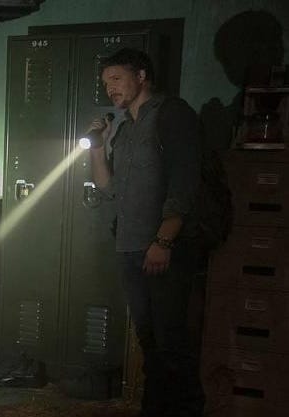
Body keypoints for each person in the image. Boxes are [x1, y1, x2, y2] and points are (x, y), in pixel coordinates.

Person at [87, 48, 204, 417]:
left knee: (171, 342)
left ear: (141, 76)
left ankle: (185, 410)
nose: (110, 88)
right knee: (149, 341)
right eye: (105, 83)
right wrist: (97, 147)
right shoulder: (125, 129)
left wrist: (164, 240)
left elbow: (185, 181)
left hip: (162, 247)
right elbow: (109, 188)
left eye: (116, 79)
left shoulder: (172, 114)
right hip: (130, 247)